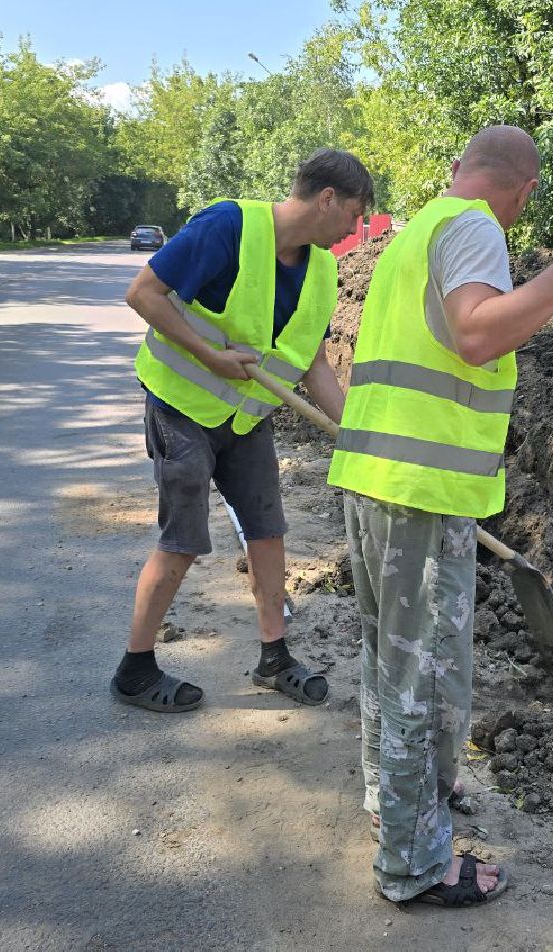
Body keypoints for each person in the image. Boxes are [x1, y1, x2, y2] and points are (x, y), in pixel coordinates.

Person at [327, 126, 553, 905]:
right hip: (419, 492)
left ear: (460, 168)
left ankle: (398, 805)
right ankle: (415, 865)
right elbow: (475, 333)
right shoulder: (475, 228)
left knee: (390, 666)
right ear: (523, 193)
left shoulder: (417, 231)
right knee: (425, 680)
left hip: (375, 480)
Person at [112, 149, 373, 712]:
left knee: (267, 529)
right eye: (354, 214)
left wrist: (350, 430)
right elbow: (143, 293)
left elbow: (314, 363)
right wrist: (209, 355)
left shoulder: (323, 269)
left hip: (246, 419)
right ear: (327, 198)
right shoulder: (229, 226)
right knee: (183, 540)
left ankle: (274, 656)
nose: (357, 228)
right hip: (182, 408)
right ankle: (134, 669)